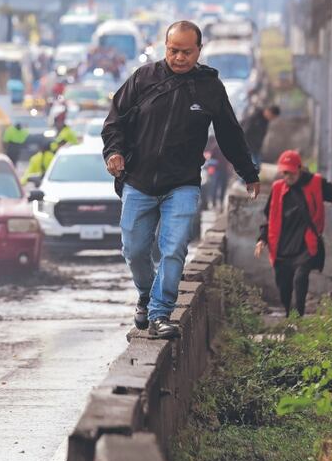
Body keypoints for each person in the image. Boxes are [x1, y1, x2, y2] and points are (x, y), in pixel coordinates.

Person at [103, 20, 260, 340]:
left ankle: (161, 313)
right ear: (165, 48)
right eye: (173, 51)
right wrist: (114, 152)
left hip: (183, 184)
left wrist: (248, 172)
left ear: (199, 51)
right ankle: (147, 295)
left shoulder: (209, 88)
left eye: (186, 52)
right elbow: (114, 122)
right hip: (139, 181)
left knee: (174, 248)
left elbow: (230, 133)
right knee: (133, 249)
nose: (179, 58)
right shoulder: (143, 79)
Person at [255, 149, 332, 317]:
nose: (288, 176)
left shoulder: (315, 183)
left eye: (291, 171)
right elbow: (269, 218)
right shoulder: (278, 188)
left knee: (300, 278)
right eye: (284, 172)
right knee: (283, 286)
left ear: (299, 168)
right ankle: (288, 314)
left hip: (305, 244)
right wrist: (262, 239)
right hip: (281, 246)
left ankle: (298, 317)